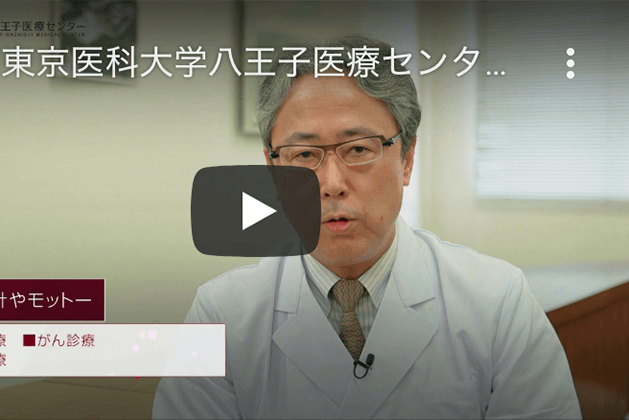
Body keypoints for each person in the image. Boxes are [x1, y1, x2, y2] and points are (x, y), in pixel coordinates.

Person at [152, 35, 581, 419]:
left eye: (358, 149)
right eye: (304, 155)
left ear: (407, 158)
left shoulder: (498, 301)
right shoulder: (221, 315)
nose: (331, 184)